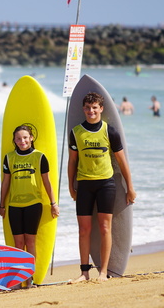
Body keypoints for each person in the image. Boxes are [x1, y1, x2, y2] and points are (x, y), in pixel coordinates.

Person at [68, 92, 136, 283]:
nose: (91, 111)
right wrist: (71, 185)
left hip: (106, 183)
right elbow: (72, 162)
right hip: (84, 184)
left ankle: (103, 272)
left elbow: (122, 163)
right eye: (88, 108)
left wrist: (130, 187)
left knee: (105, 227)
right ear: (84, 109)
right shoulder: (76, 132)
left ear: (101, 109)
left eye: (94, 108)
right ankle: (84, 272)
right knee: (84, 229)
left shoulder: (110, 131)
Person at [0, 124, 59, 288]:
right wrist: (2, 204)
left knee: (30, 242)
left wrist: (53, 203)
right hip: (15, 205)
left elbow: (47, 182)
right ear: (14, 141)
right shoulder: (9, 157)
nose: (22, 141)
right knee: (18, 243)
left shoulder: (39, 157)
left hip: (34, 204)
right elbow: (6, 182)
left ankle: (29, 279)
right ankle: (18, 280)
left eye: (25, 137)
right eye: (18, 138)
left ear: (31, 138)